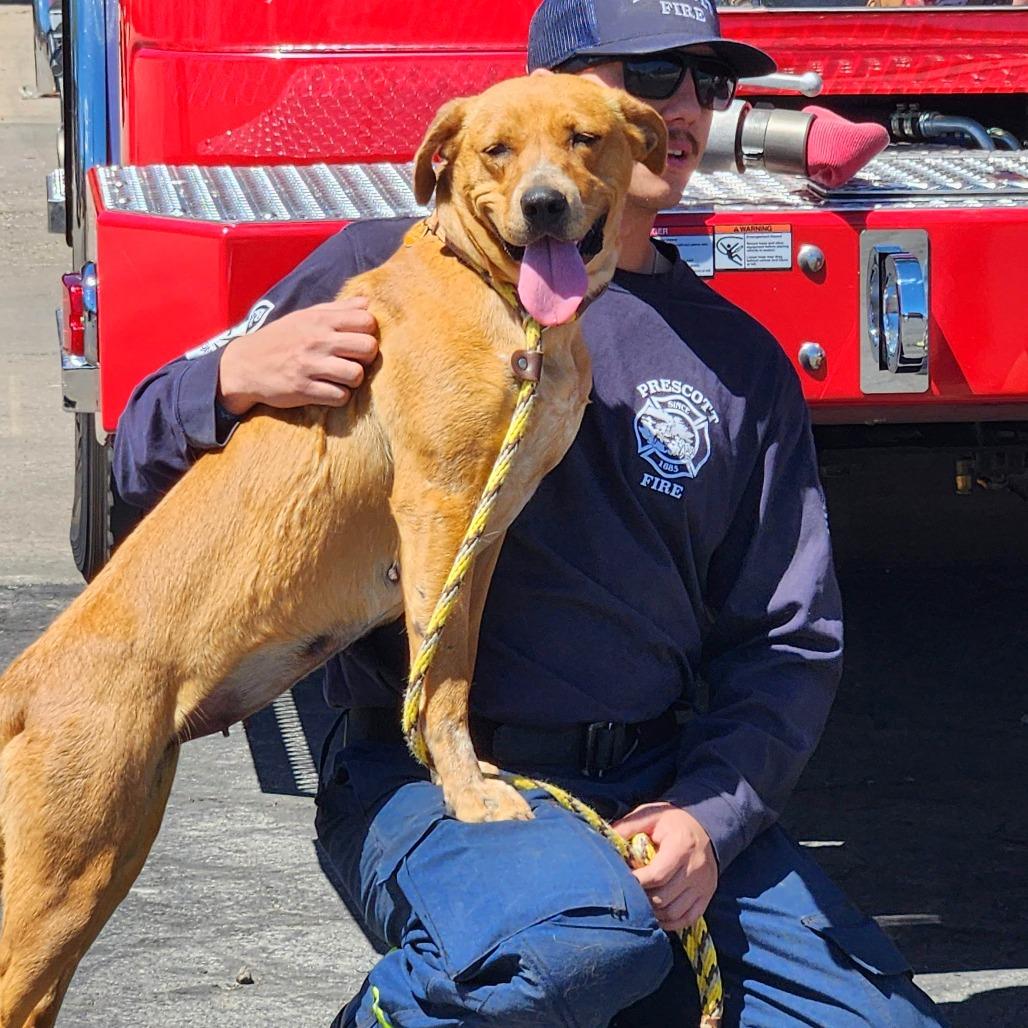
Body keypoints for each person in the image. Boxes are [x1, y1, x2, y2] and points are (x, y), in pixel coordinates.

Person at [113, 2, 950, 1024]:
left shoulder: (737, 359)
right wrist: (231, 379)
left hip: (648, 784)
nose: (678, 108)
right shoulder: (385, 271)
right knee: (566, 952)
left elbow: (785, 637)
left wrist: (707, 815)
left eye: (703, 81)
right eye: (646, 77)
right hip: (423, 774)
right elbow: (136, 453)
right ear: (558, 91)